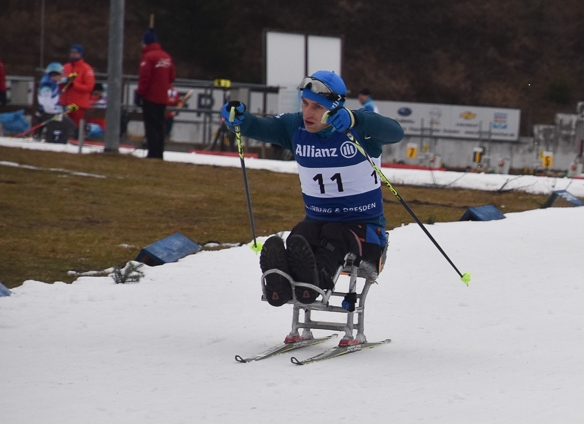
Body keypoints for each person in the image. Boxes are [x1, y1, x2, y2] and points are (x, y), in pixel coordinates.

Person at [220, 71, 404, 345]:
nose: (308, 112)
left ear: (335, 109)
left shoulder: (356, 127)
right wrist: (239, 120)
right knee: (301, 234)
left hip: (365, 233)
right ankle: (281, 282)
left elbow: (395, 131)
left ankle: (312, 282)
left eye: (317, 107)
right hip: (316, 225)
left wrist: (357, 118)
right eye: (305, 103)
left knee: (333, 233)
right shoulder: (296, 127)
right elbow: (259, 127)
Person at [135, 28, 176, 159]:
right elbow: (172, 76)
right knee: (160, 126)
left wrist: (140, 93)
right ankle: (159, 152)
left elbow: (144, 78)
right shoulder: (167, 57)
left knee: (151, 126)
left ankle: (152, 153)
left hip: (151, 97)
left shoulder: (148, 57)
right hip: (163, 97)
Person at [59, 44, 96, 127]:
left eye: (76, 53)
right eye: (72, 52)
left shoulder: (87, 69)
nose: (73, 54)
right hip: (64, 104)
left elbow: (89, 87)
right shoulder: (65, 67)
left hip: (78, 106)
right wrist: (62, 83)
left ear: (81, 54)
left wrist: (73, 84)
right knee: (64, 127)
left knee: (77, 129)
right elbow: (58, 84)